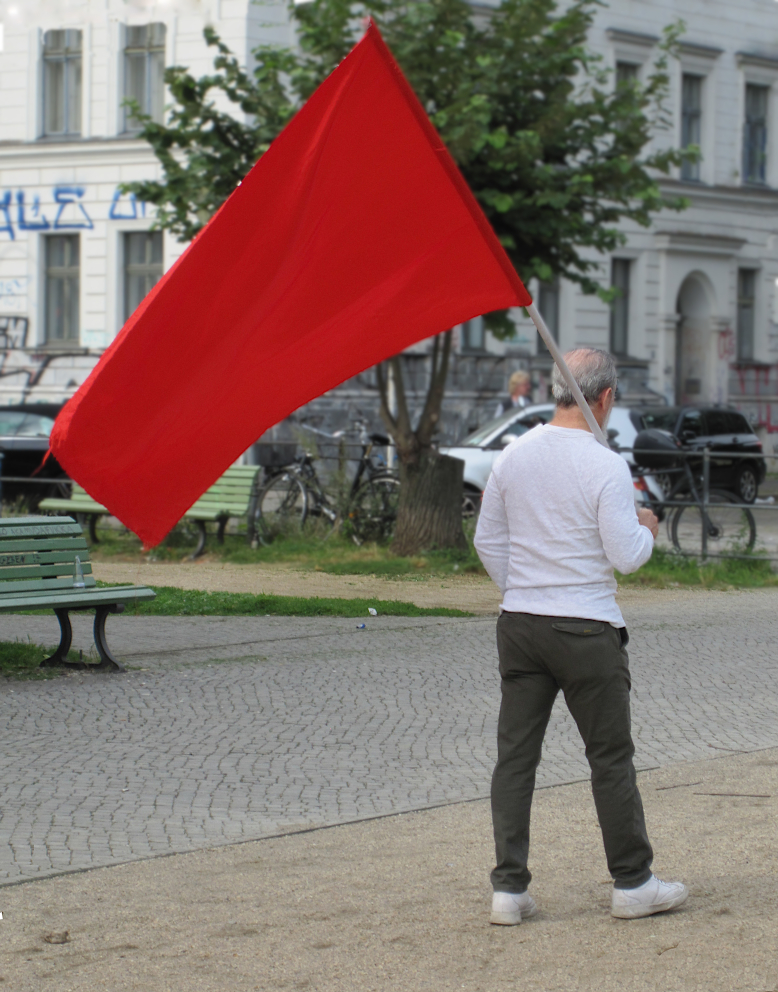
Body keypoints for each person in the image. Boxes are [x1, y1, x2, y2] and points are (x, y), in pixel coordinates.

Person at [474, 347, 688, 925]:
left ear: (554, 390)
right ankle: (633, 882)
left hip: (520, 624)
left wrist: (521, 587)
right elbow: (626, 557)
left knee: (515, 758)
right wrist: (648, 528)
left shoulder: (512, 457)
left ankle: (508, 889)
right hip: (587, 626)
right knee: (610, 758)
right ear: (606, 398)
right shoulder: (604, 464)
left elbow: (486, 542)